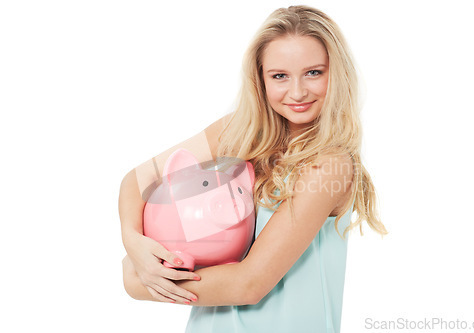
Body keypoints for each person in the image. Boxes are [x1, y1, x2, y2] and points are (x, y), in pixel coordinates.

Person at [119, 5, 388, 332]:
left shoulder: (330, 165)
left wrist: (137, 281)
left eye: (314, 72)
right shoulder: (240, 132)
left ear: (337, 73)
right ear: (260, 79)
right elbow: (139, 180)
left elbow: (249, 283)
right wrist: (132, 241)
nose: (298, 91)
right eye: (280, 76)